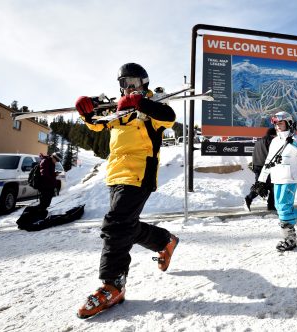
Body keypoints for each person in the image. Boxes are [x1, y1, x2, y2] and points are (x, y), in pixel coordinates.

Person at [74, 63, 179, 319]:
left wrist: (139, 103)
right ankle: (164, 240)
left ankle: (113, 284)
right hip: (116, 172)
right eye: (124, 83)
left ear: (144, 82)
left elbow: (169, 117)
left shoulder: (153, 105)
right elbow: (98, 124)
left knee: (116, 224)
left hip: (140, 170)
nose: (128, 87)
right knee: (125, 225)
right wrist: (87, 112)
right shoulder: (118, 109)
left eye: (132, 81)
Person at [255, 111, 297, 252]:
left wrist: (294, 143)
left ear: (288, 123)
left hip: (290, 178)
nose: (278, 126)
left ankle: (290, 239)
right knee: (280, 206)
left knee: (283, 208)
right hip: (276, 178)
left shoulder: (296, 139)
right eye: (276, 123)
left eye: (280, 123)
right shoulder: (275, 141)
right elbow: (269, 161)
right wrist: (261, 181)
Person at [244, 128, 276, 211]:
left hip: (257, 166)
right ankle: (271, 206)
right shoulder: (272, 141)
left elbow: (254, 154)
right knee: (273, 186)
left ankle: (249, 198)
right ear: (274, 134)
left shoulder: (258, 141)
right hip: (267, 166)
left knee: (260, 186)